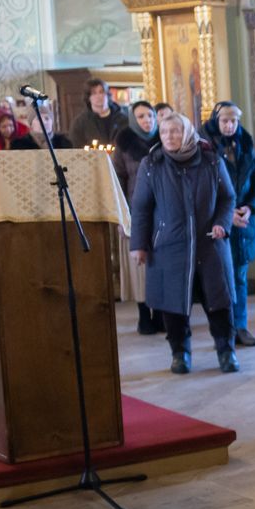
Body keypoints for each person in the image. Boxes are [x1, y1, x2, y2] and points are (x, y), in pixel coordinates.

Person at [130, 112, 240, 374]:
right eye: (164, 132)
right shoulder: (152, 164)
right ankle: (180, 353)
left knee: (219, 302)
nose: (169, 137)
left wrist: (222, 224)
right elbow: (141, 207)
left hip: (210, 245)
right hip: (170, 246)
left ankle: (226, 351)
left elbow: (227, 198)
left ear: (188, 133)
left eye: (175, 131)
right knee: (173, 304)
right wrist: (139, 245)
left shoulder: (211, 160)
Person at [203, 101, 255, 347]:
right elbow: (203, 190)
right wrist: (226, 214)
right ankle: (224, 331)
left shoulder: (245, 145)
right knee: (220, 281)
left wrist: (250, 207)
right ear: (216, 121)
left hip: (244, 223)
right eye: (225, 121)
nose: (229, 125)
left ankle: (240, 327)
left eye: (234, 121)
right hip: (219, 224)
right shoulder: (205, 148)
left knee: (240, 277)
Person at [113, 100, 162, 335]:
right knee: (139, 268)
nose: (147, 120)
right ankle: (144, 315)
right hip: (135, 210)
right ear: (133, 120)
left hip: (162, 210)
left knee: (160, 264)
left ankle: (161, 313)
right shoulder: (124, 144)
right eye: (141, 116)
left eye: (150, 115)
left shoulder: (164, 139)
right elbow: (118, 181)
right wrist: (122, 216)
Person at [69, 79, 123, 150]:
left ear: (107, 95)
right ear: (88, 98)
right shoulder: (80, 123)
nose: (98, 96)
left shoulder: (123, 119)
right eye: (94, 93)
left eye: (101, 92)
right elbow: (76, 150)